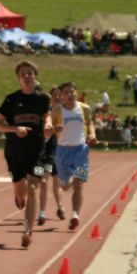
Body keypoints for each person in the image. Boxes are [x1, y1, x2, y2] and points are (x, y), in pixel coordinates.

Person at [0, 61, 53, 248]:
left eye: (30, 73)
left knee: (34, 187)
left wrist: (49, 124)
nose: (27, 76)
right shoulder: (11, 100)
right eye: (23, 74)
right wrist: (14, 129)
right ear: (19, 79)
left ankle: (28, 229)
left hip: (37, 152)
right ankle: (18, 196)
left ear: (36, 77)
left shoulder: (44, 99)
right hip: (15, 152)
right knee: (21, 190)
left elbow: (47, 116)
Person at [52, 82, 97, 231]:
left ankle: (75, 215)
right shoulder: (57, 110)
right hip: (63, 151)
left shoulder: (84, 108)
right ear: (62, 95)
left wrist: (92, 134)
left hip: (81, 150)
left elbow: (90, 123)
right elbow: (48, 127)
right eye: (66, 92)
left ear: (76, 93)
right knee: (65, 187)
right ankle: (67, 180)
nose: (69, 95)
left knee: (79, 184)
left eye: (72, 92)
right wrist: (54, 128)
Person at [37, 86, 65, 226]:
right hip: (44, 150)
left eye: (60, 95)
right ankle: (43, 211)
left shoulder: (61, 110)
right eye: (55, 95)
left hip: (56, 150)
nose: (58, 97)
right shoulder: (48, 111)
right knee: (42, 180)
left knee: (55, 180)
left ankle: (59, 207)